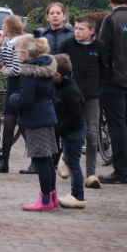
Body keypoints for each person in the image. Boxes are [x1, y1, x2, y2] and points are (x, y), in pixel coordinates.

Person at [9, 36, 58, 210]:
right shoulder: (46, 67)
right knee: (47, 160)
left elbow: (25, 101)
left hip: (35, 120)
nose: (16, 55)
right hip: (47, 116)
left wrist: (13, 98)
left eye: (16, 52)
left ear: (25, 53)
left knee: (41, 160)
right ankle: (52, 197)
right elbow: (51, 95)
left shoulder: (28, 72)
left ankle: (45, 200)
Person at [60, 14, 109, 187]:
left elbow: (104, 68)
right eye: (76, 28)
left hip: (92, 96)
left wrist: (98, 88)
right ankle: (64, 159)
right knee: (70, 129)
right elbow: (60, 67)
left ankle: (91, 174)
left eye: (81, 29)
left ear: (91, 31)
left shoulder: (99, 45)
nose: (77, 32)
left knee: (92, 133)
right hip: (71, 96)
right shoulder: (68, 44)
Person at [98, 0, 127, 185]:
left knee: (117, 125)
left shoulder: (110, 19)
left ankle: (122, 170)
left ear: (110, 0)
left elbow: (102, 51)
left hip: (115, 80)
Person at [0, 15, 25, 174]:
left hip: (20, 87)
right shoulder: (9, 43)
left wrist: (5, 71)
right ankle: (4, 162)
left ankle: (38, 160)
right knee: (9, 125)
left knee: (24, 125)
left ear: (7, 27)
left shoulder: (19, 43)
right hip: (12, 87)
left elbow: (17, 70)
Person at [52, 53, 87, 208]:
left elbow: (77, 116)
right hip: (69, 131)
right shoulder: (62, 85)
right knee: (71, 161)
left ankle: (78, 196)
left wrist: (60, 128)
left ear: (58, 75)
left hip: (73, 132)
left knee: (73, 164)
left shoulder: (70, 90)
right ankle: (75, 192)